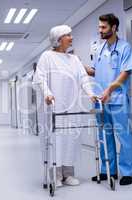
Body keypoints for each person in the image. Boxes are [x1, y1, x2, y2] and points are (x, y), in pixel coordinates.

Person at [34, 25, 95, 187]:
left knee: (71, 139)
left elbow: (83, 78)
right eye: (68, 35)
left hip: (72, 106)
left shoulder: (74, 59)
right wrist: (47, 93)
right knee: (55, 139)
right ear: (59, 39)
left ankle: (68, 174)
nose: (72, 37)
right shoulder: (47, 57)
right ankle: (55, 174)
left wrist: (90, 94)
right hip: (54, 106)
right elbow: (40, 78)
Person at [86, 13, 132, 185]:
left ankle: (128, 172)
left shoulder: (124, 48)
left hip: (117, 99)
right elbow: (94, 71)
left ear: (114, 27)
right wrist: (79, 66)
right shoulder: (99, 48)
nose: (100, 30)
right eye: (99, 27)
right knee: (104, 136)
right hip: (101, 100)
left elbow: (126, 72)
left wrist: (109, 89)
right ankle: (108, 171)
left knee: (124, 136)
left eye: (103, 27)